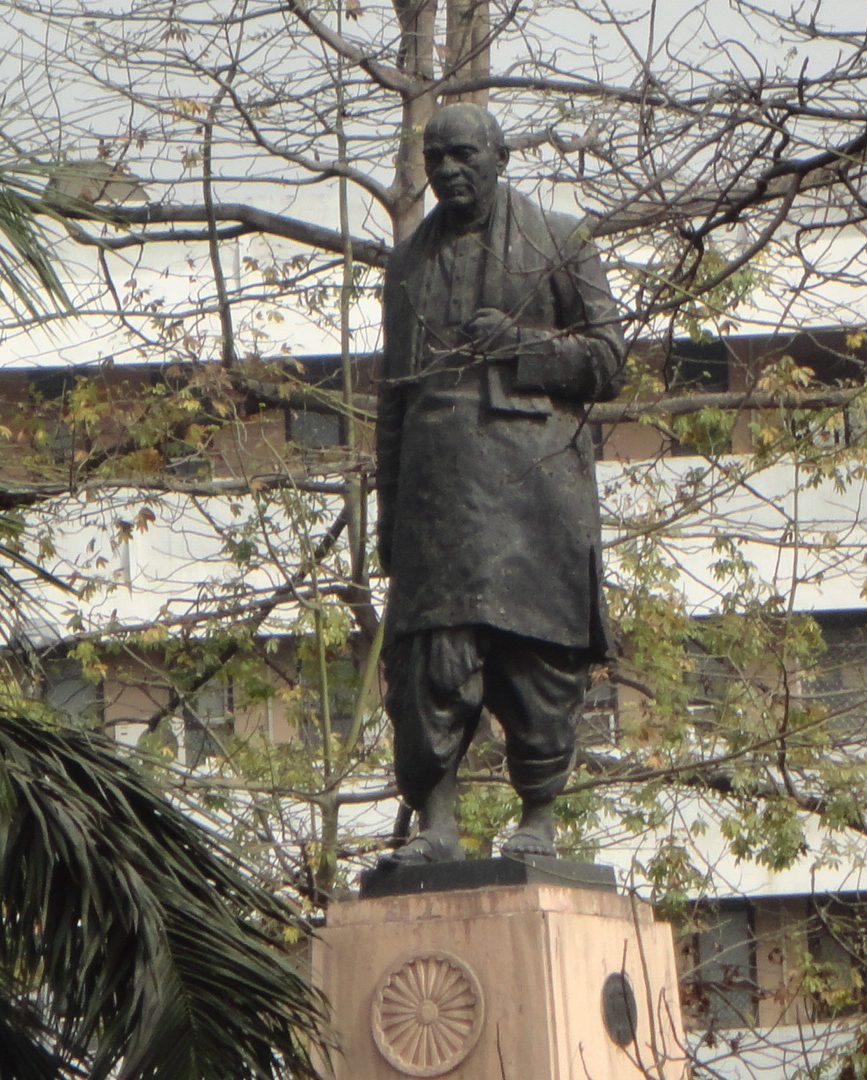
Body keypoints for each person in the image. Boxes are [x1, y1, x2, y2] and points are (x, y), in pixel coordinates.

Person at [375, 103, 627, 865]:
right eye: (435, 158)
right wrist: (390, 517)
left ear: (500, 158)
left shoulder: (560, 241)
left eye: (463, 156)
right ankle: (437, 826)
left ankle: (538, 820)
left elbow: (610, 360)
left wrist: (522, 346)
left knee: (535, 656)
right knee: (432, 656)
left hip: (532, 488)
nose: (448, 170)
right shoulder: (407, 263)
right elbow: (391, 397)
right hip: (435, 487)